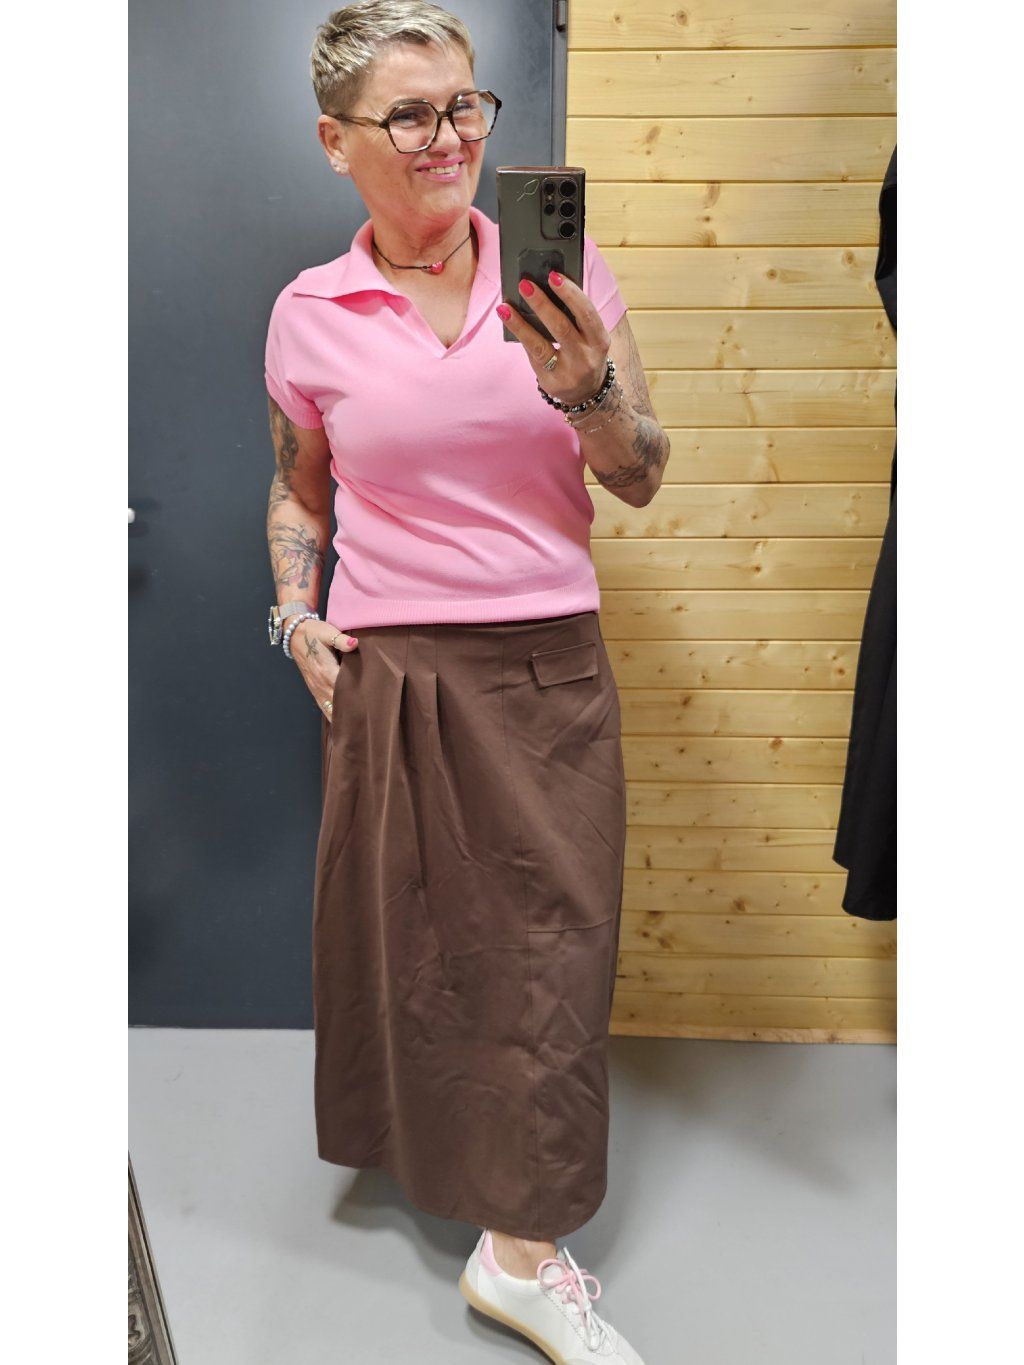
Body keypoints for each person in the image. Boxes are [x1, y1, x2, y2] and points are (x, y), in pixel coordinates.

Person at [263, 4, 669, 1361]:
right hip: (391, 674)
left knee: (554, 951)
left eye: (465, 106)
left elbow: (640, 472)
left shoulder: (564, 275)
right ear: (338, 143)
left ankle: (524, 1248)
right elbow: (300, 487)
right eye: (411, 114)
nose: (449, 137)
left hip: (547, 666)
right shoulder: (310, 315)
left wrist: (587, 387)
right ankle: (457, 1185)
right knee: (420, 950)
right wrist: (294, 610)